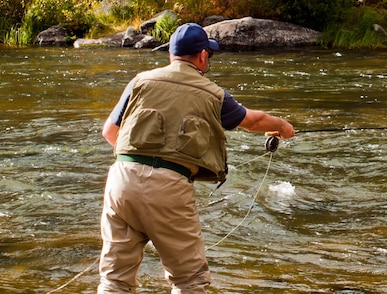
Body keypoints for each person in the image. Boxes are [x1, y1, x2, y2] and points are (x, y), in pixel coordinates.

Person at [97, 23, 296, 293]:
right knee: (189, 279)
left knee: (114, 280)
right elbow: (252, 121)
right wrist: (282, 126)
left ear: (171, 54)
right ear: (202, 56)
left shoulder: (140, 81)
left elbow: (110, 132)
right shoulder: (213, 94)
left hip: (121, 181)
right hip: (168, 186)